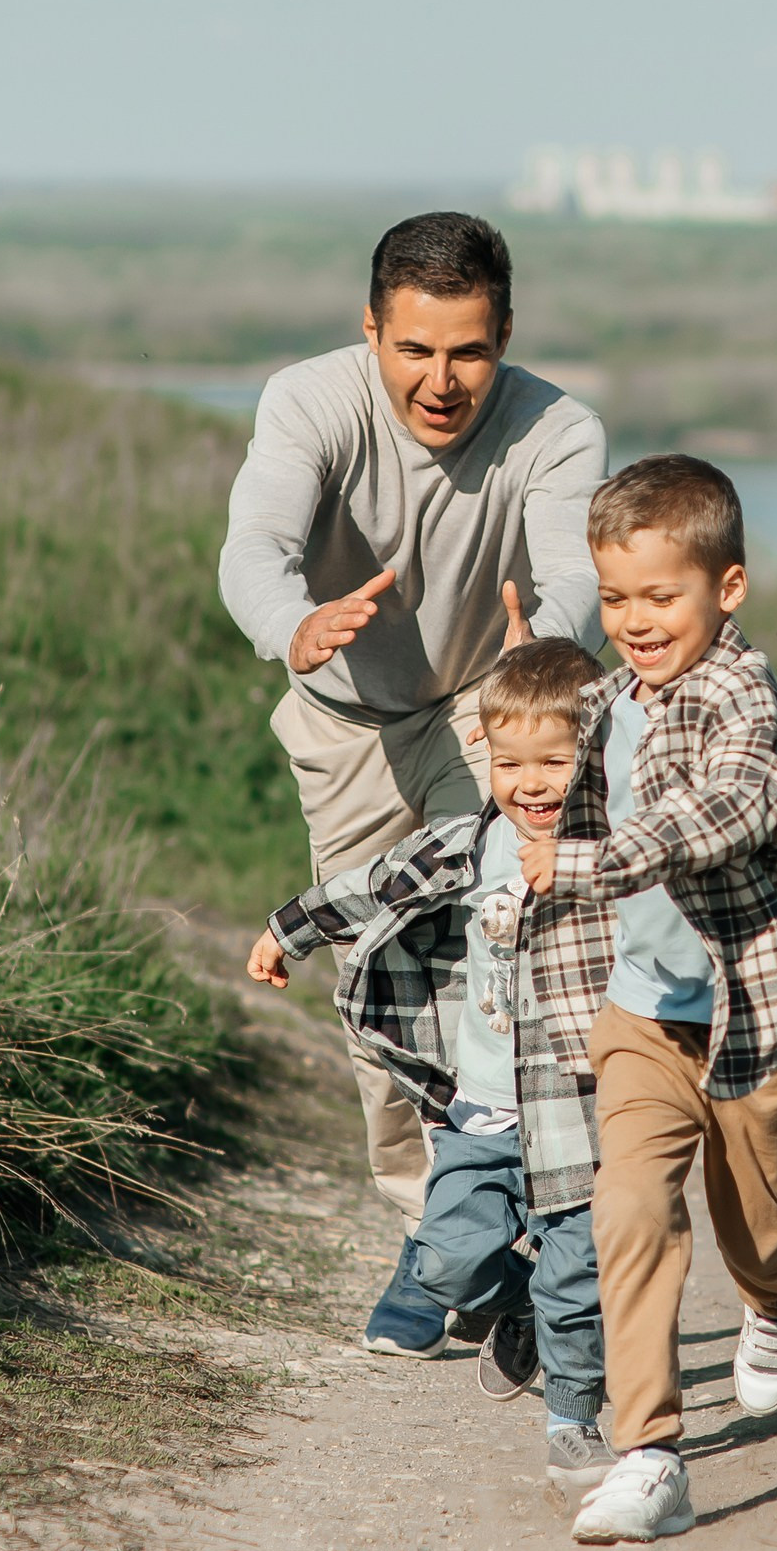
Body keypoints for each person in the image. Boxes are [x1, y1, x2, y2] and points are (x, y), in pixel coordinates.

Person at [219, 211, 608, 1357]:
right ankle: (441, 1236)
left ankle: (518, 1216)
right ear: (373, 331)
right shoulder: (309, 401)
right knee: (381, 982)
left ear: (504, 338)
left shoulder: (559, 428)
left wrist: (553, 633)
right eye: (416, 350)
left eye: (470, 352)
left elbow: (574, 570)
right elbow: (254, 546)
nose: (442, 381)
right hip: (344, 718)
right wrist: (293, 625)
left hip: (486, 712)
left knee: (496, 949)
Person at [514, 455, 777, 1545]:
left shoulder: (744, 699)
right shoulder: (606, 699)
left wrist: (588, 863)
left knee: (753, 1224)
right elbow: (523, 757)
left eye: (662, 596)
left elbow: (725, 811)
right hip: (641, 1014)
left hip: (758, 1012)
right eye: (616, 598)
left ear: (729, 588)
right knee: (629, 1206)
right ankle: (649, 1453)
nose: (636, 620)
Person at [246, 637, 619, 1491]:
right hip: (480, 1111)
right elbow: (369, 883)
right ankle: (509, 1303)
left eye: (557, 761)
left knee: (578, 1275)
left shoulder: (614, 860)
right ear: (483, 752)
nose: (534, 784)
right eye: (513, 762)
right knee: (450, 1260)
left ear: (595, 757)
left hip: (577, 1116)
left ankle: (573, 1417)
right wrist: (288, 929)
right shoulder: (464, 846)